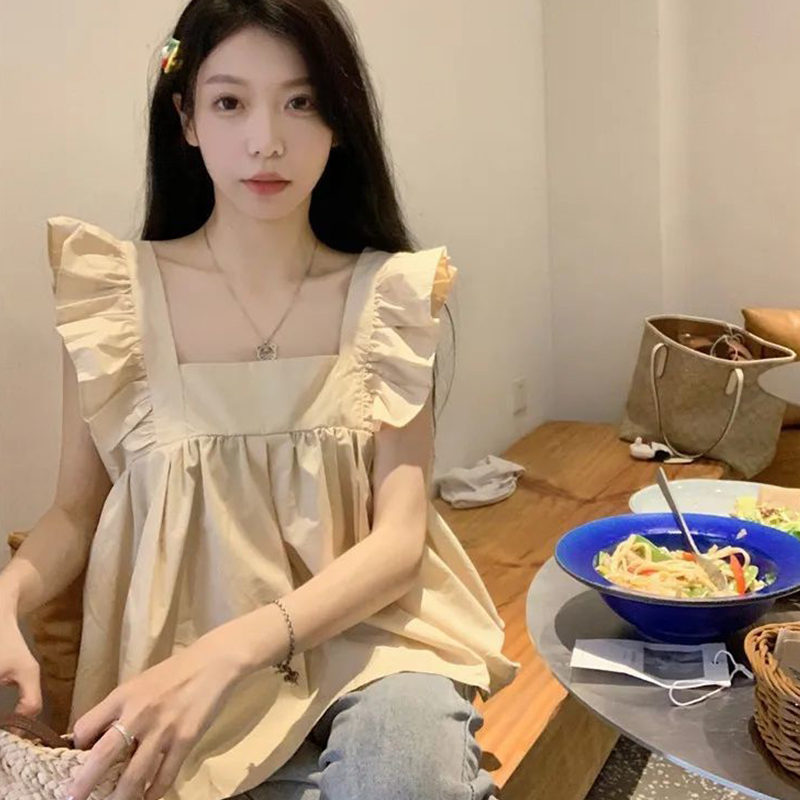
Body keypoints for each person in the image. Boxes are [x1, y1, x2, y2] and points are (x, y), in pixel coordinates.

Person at [0, 2, 519, 799]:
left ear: (339, 120)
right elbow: (74, 512)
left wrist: (232, 649)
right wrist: (8, 594)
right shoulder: (114, 297)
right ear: (187, 119)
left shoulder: (391, 296)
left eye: (300, 101)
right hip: (176, 670)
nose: (266, 140)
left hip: (372, 643)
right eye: (230, 102)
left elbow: (400, 538)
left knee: (405, 778)